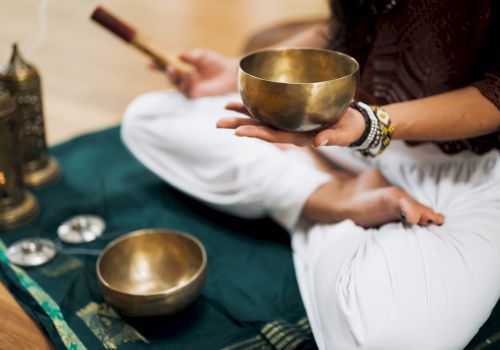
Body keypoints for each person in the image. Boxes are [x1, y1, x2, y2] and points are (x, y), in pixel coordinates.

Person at [121, 0, 500, 348]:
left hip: (468, 166)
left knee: (391, 341)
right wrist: (239, 70)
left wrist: (372, 126)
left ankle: (315, 197)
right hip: (345, 128)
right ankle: (332, 197)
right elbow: (343, 27)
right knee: (148, 119)